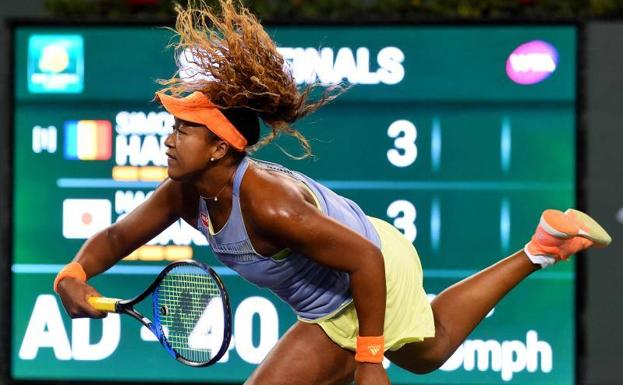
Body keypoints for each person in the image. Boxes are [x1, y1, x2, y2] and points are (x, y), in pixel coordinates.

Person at [53, 1, 612, 384]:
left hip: (365, 272)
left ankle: (538, 251)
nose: (170, 139)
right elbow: (119, 234)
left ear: (222, 148)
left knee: (410, 355)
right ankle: (544, 246)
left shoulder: (267, 203)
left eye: (185, 130)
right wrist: (73, 275)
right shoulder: (184, 193)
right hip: (350, 268)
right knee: (430, 349)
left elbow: (364, 259)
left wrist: (369, 359)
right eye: (174, 127)